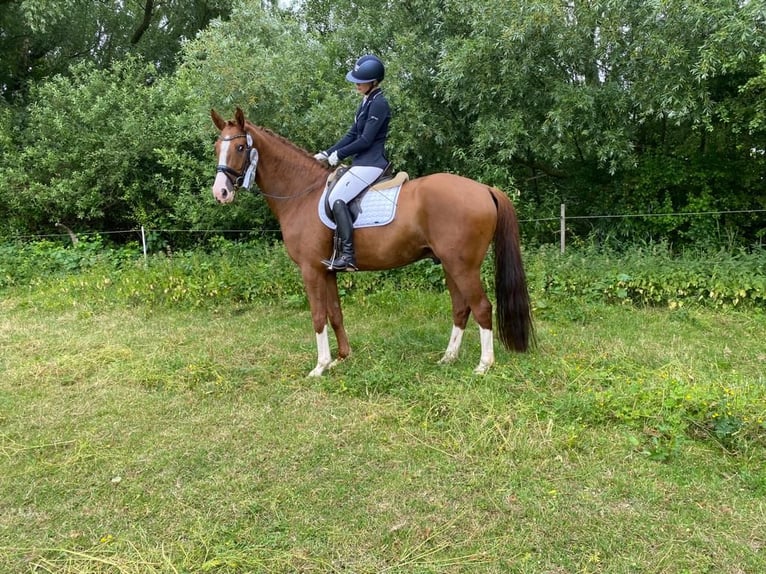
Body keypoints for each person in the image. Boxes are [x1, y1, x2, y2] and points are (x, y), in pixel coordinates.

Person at [314, 54, 391, 271]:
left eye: (361, 81)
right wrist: (327, 152)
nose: (356, 84)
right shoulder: (366, 103)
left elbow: (365, 140)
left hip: (371, 163)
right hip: (361, 163)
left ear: (373, 82)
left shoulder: (379, 104)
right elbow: (352, 134)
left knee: (338, 198)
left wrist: (339, 155)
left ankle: (348, 255)